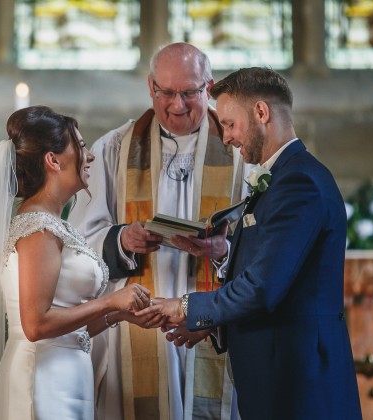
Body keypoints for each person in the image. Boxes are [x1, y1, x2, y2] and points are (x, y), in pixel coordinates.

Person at [138, 67, 363, 419]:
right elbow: (275, 279)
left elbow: (263, 287)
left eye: (229, 124)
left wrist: (186, 305)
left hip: (299, 383)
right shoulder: (280, 179)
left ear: (261, 112)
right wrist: (214, 322)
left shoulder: (298, 182)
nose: (225, 137)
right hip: (278, 375)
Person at [69, 43, 247, 419]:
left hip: (211, 322)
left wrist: (223, 250)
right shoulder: (114, 149)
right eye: (167, 92)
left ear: (209, 87)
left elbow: (264, 246)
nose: (178, 105)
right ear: (151, 87)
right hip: (140, 322)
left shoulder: (239, 151)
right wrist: (122, 240)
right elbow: (78, 243)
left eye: (189, 93)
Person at [0, 106, 152, 420]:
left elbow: (68, 326)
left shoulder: (56, 224)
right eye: (81, 147)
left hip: (65, 377)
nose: (90, 157)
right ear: (53, 160)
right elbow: (35, 324)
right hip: (41, 382)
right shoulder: (38, 228)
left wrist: (118, 314)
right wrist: (110, 300)